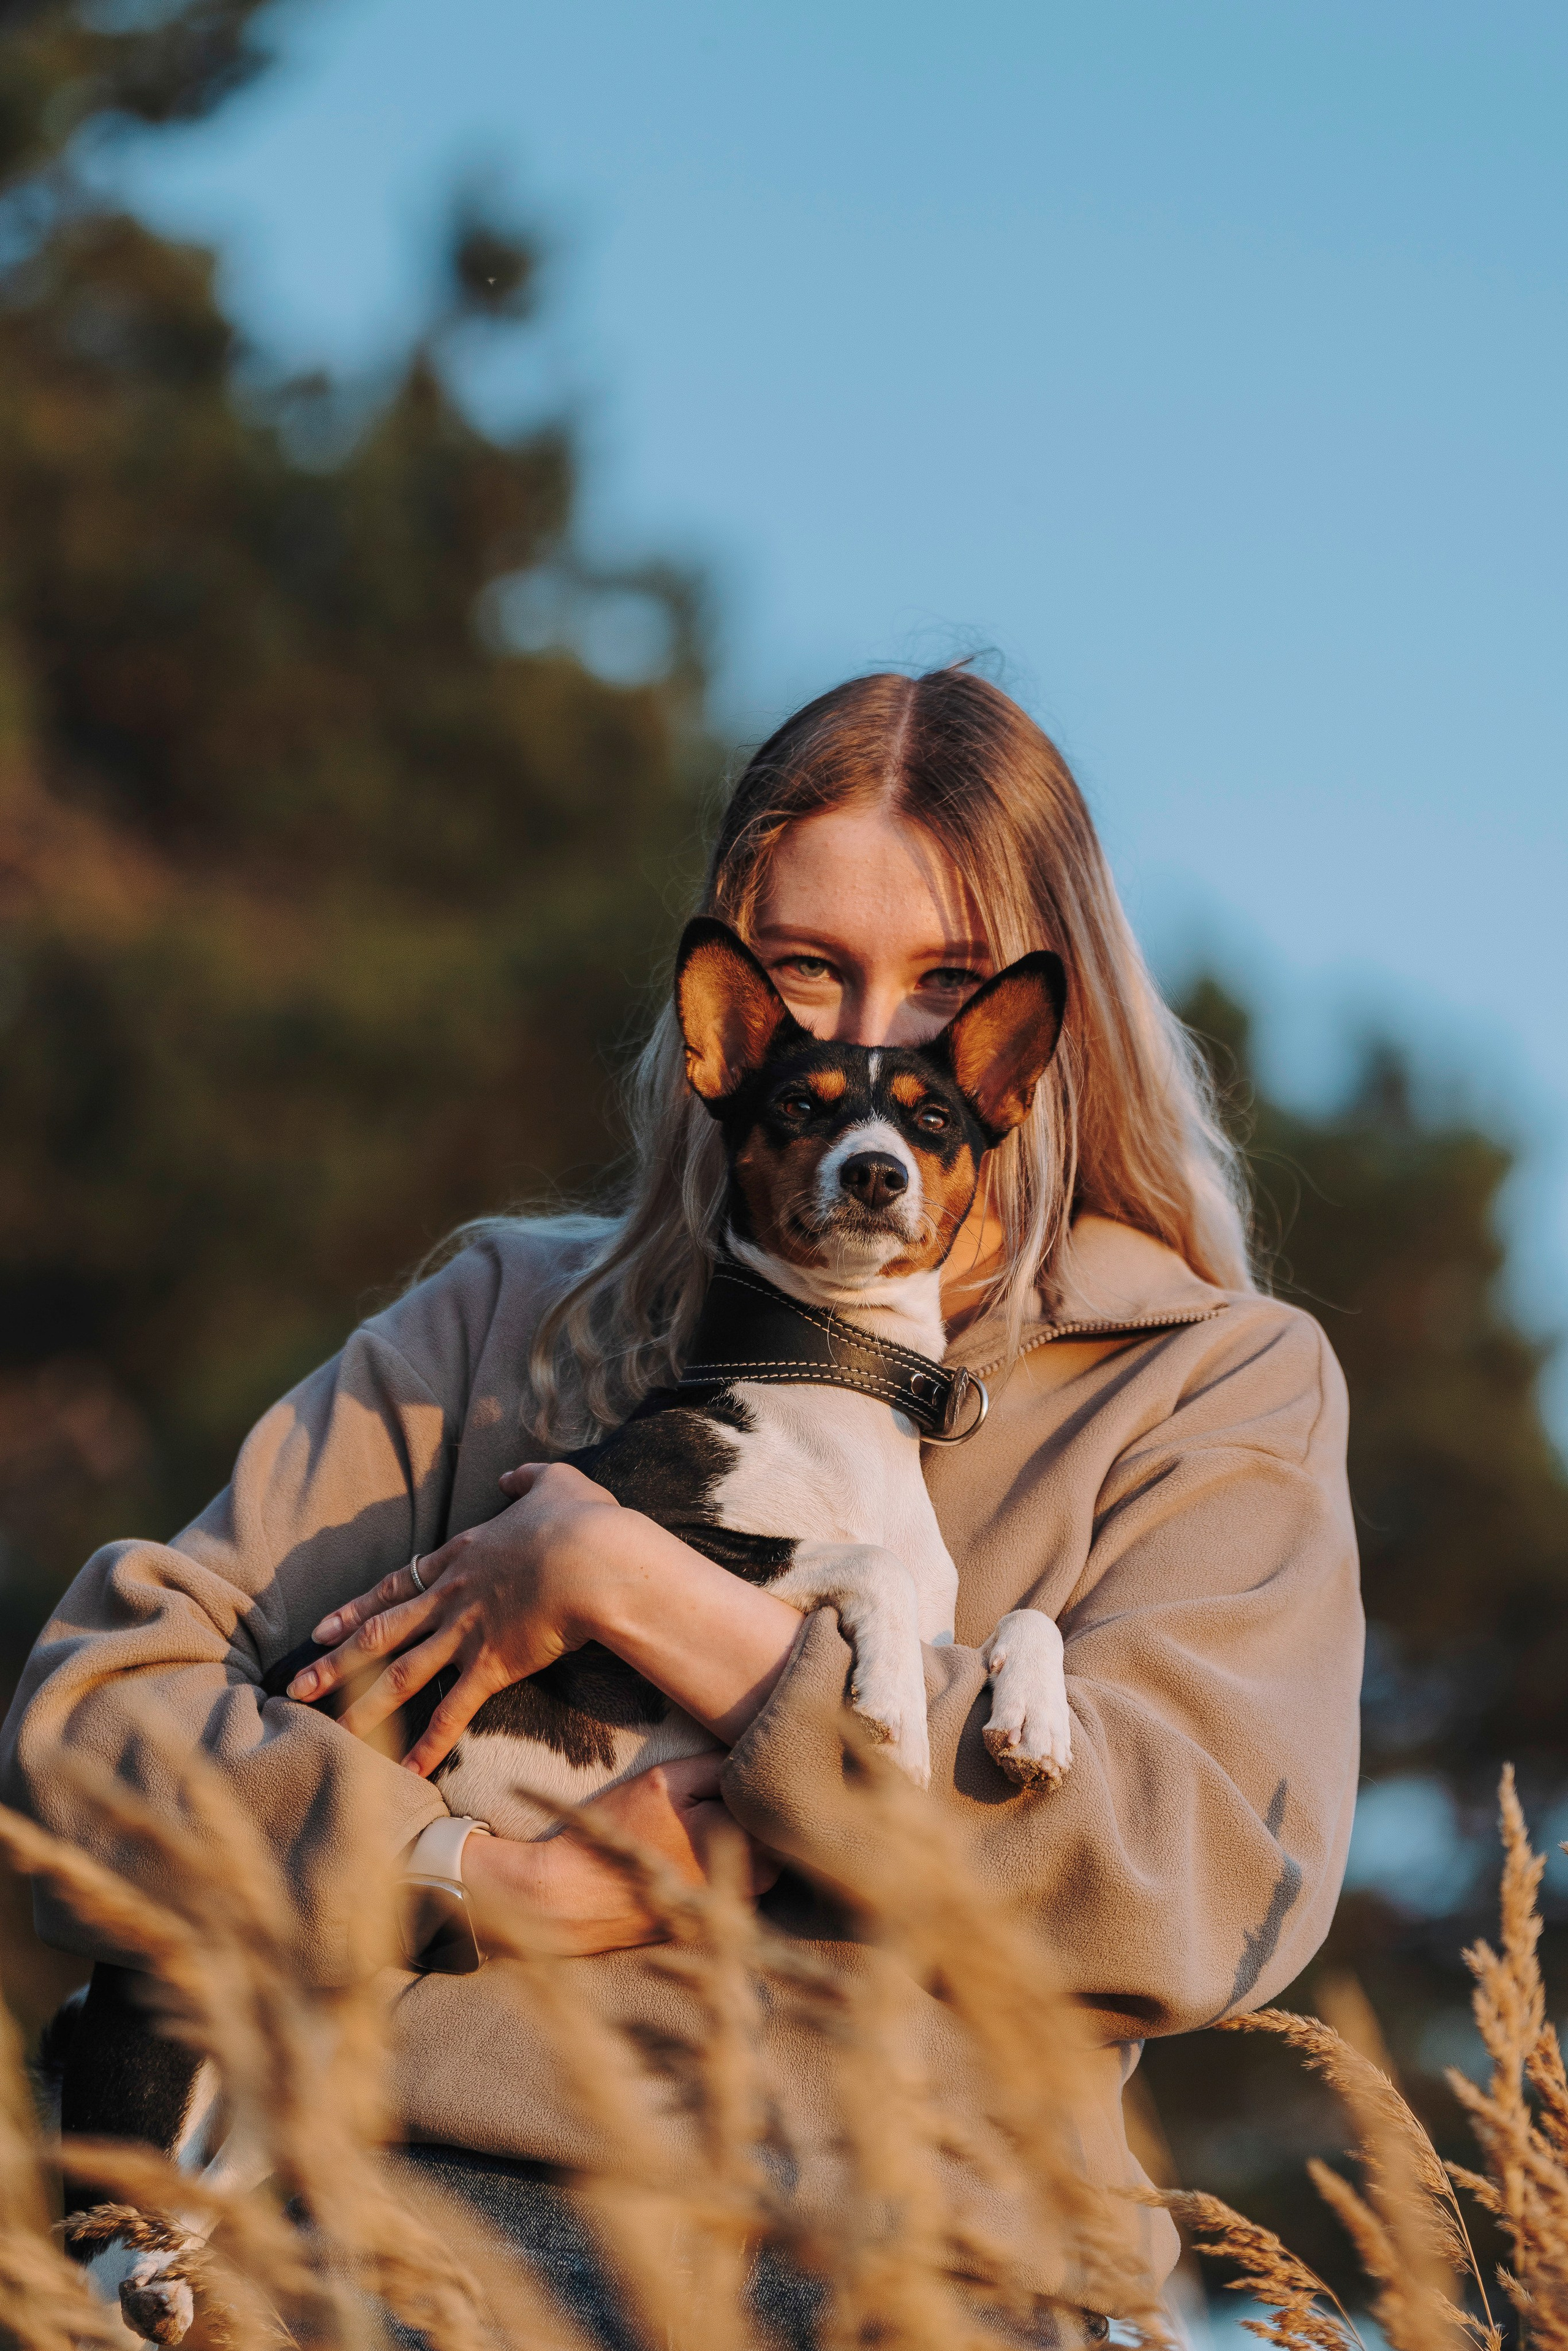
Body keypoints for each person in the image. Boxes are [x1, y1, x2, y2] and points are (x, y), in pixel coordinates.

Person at [0, 667, 1362, 2341]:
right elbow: (90, 1729)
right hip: (396, 2201)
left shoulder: (1207, 1381)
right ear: (725, 1014)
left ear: (1035, 1025)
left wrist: (627, 1586)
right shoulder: (501, 1323)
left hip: (911, 2268)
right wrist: (452, 1880)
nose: (875, 1038)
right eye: (810, 969)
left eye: (945, 980)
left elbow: (1191, 1887)